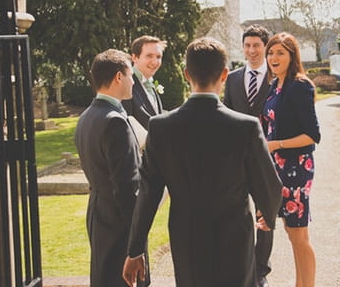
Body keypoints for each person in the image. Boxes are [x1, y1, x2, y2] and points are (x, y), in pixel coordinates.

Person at [122, 38, 282, 287]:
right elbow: (270, 186)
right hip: (235, 238)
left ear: (186, 74)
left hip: (188, 238)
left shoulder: (161, 127)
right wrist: (267, 214)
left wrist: (135, 249)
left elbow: (148, 192)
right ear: (225, 74)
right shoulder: (246, 127)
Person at [74, 49, 150, 287]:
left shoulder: (87, 116)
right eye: (130, 75)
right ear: (119, 77)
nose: (133, 82)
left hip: (98, 215)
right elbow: (128, 187)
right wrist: (136, 246)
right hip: (120, 224)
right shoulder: (115, 121)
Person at [261, 32, 321, 287]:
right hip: (278, 167)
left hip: (296, 167)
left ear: (292, 55)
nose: (273, 57)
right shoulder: (275, 85)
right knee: (290, 231)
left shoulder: (300, 85)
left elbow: (312, 136)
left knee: (299, 234)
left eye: (280, 53)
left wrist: (276, 145)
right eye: (271, 53)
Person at [223, 24, 273, 287]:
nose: (252, 50)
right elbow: (226, 115)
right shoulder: (232, 79)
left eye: (257, 45)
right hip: (238, 160)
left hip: (268, 158)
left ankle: (260, 269)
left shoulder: (276, 78)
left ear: (265, 47)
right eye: (248, 45)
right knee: (238, 211)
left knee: (266, 212)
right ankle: (241, 263)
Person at [122, 35, 167, 130]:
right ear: (134, 57)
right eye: (149, 56)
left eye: (158, 57)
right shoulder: (125, 86)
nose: (155, 62)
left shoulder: (150, 84)